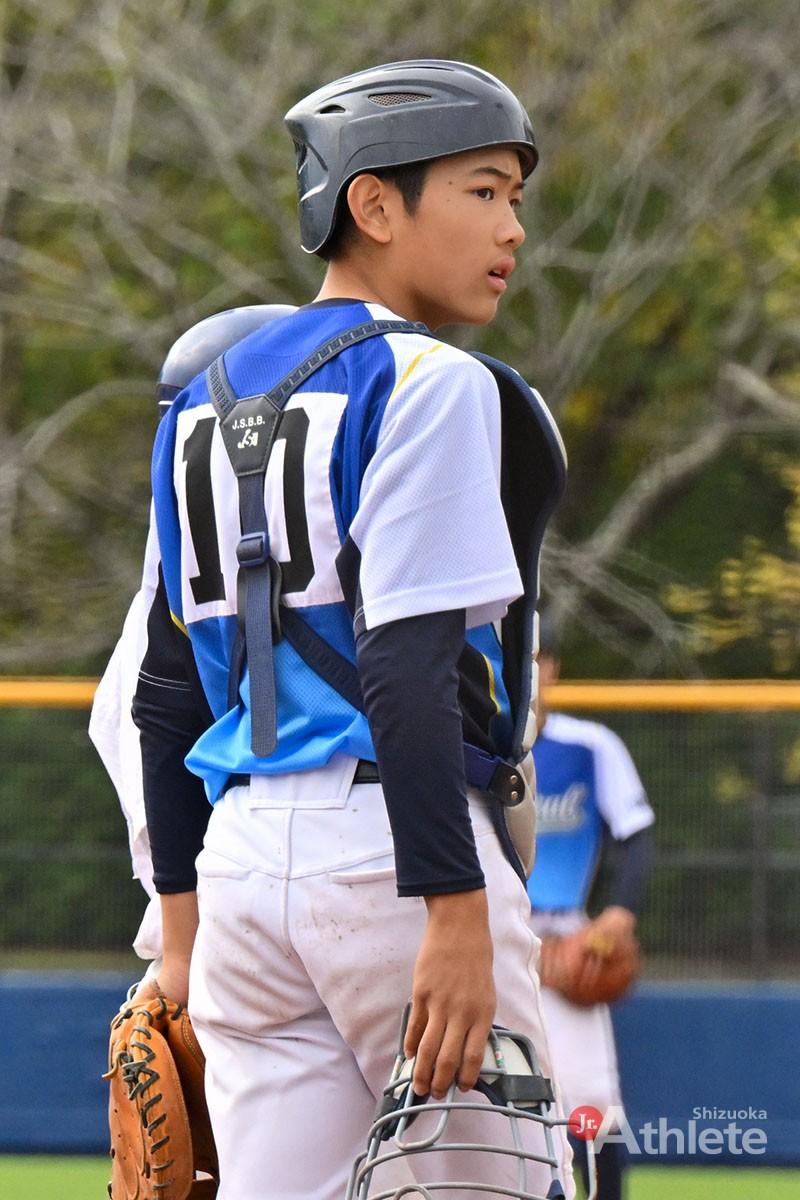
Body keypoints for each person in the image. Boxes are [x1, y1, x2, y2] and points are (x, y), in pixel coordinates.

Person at [123, 59, 573, 1199]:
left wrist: (181, 932)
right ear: (372, 204)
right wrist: (455, 915)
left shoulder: (199, 401)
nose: (511, 227)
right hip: (396, 857)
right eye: (482, 190)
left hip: (239, 874)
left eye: (514, 197)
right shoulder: (429, 379)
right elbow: (406, 665)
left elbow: (165, 694)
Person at [529, 625, 655, 1200]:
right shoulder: (465, 744)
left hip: (564, 936)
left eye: (537, 656)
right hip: (482, 936)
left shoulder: (589, 744)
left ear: (553, 667)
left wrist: (620, 911)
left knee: (591, 1104)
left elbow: (636, 833)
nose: (528, 667)